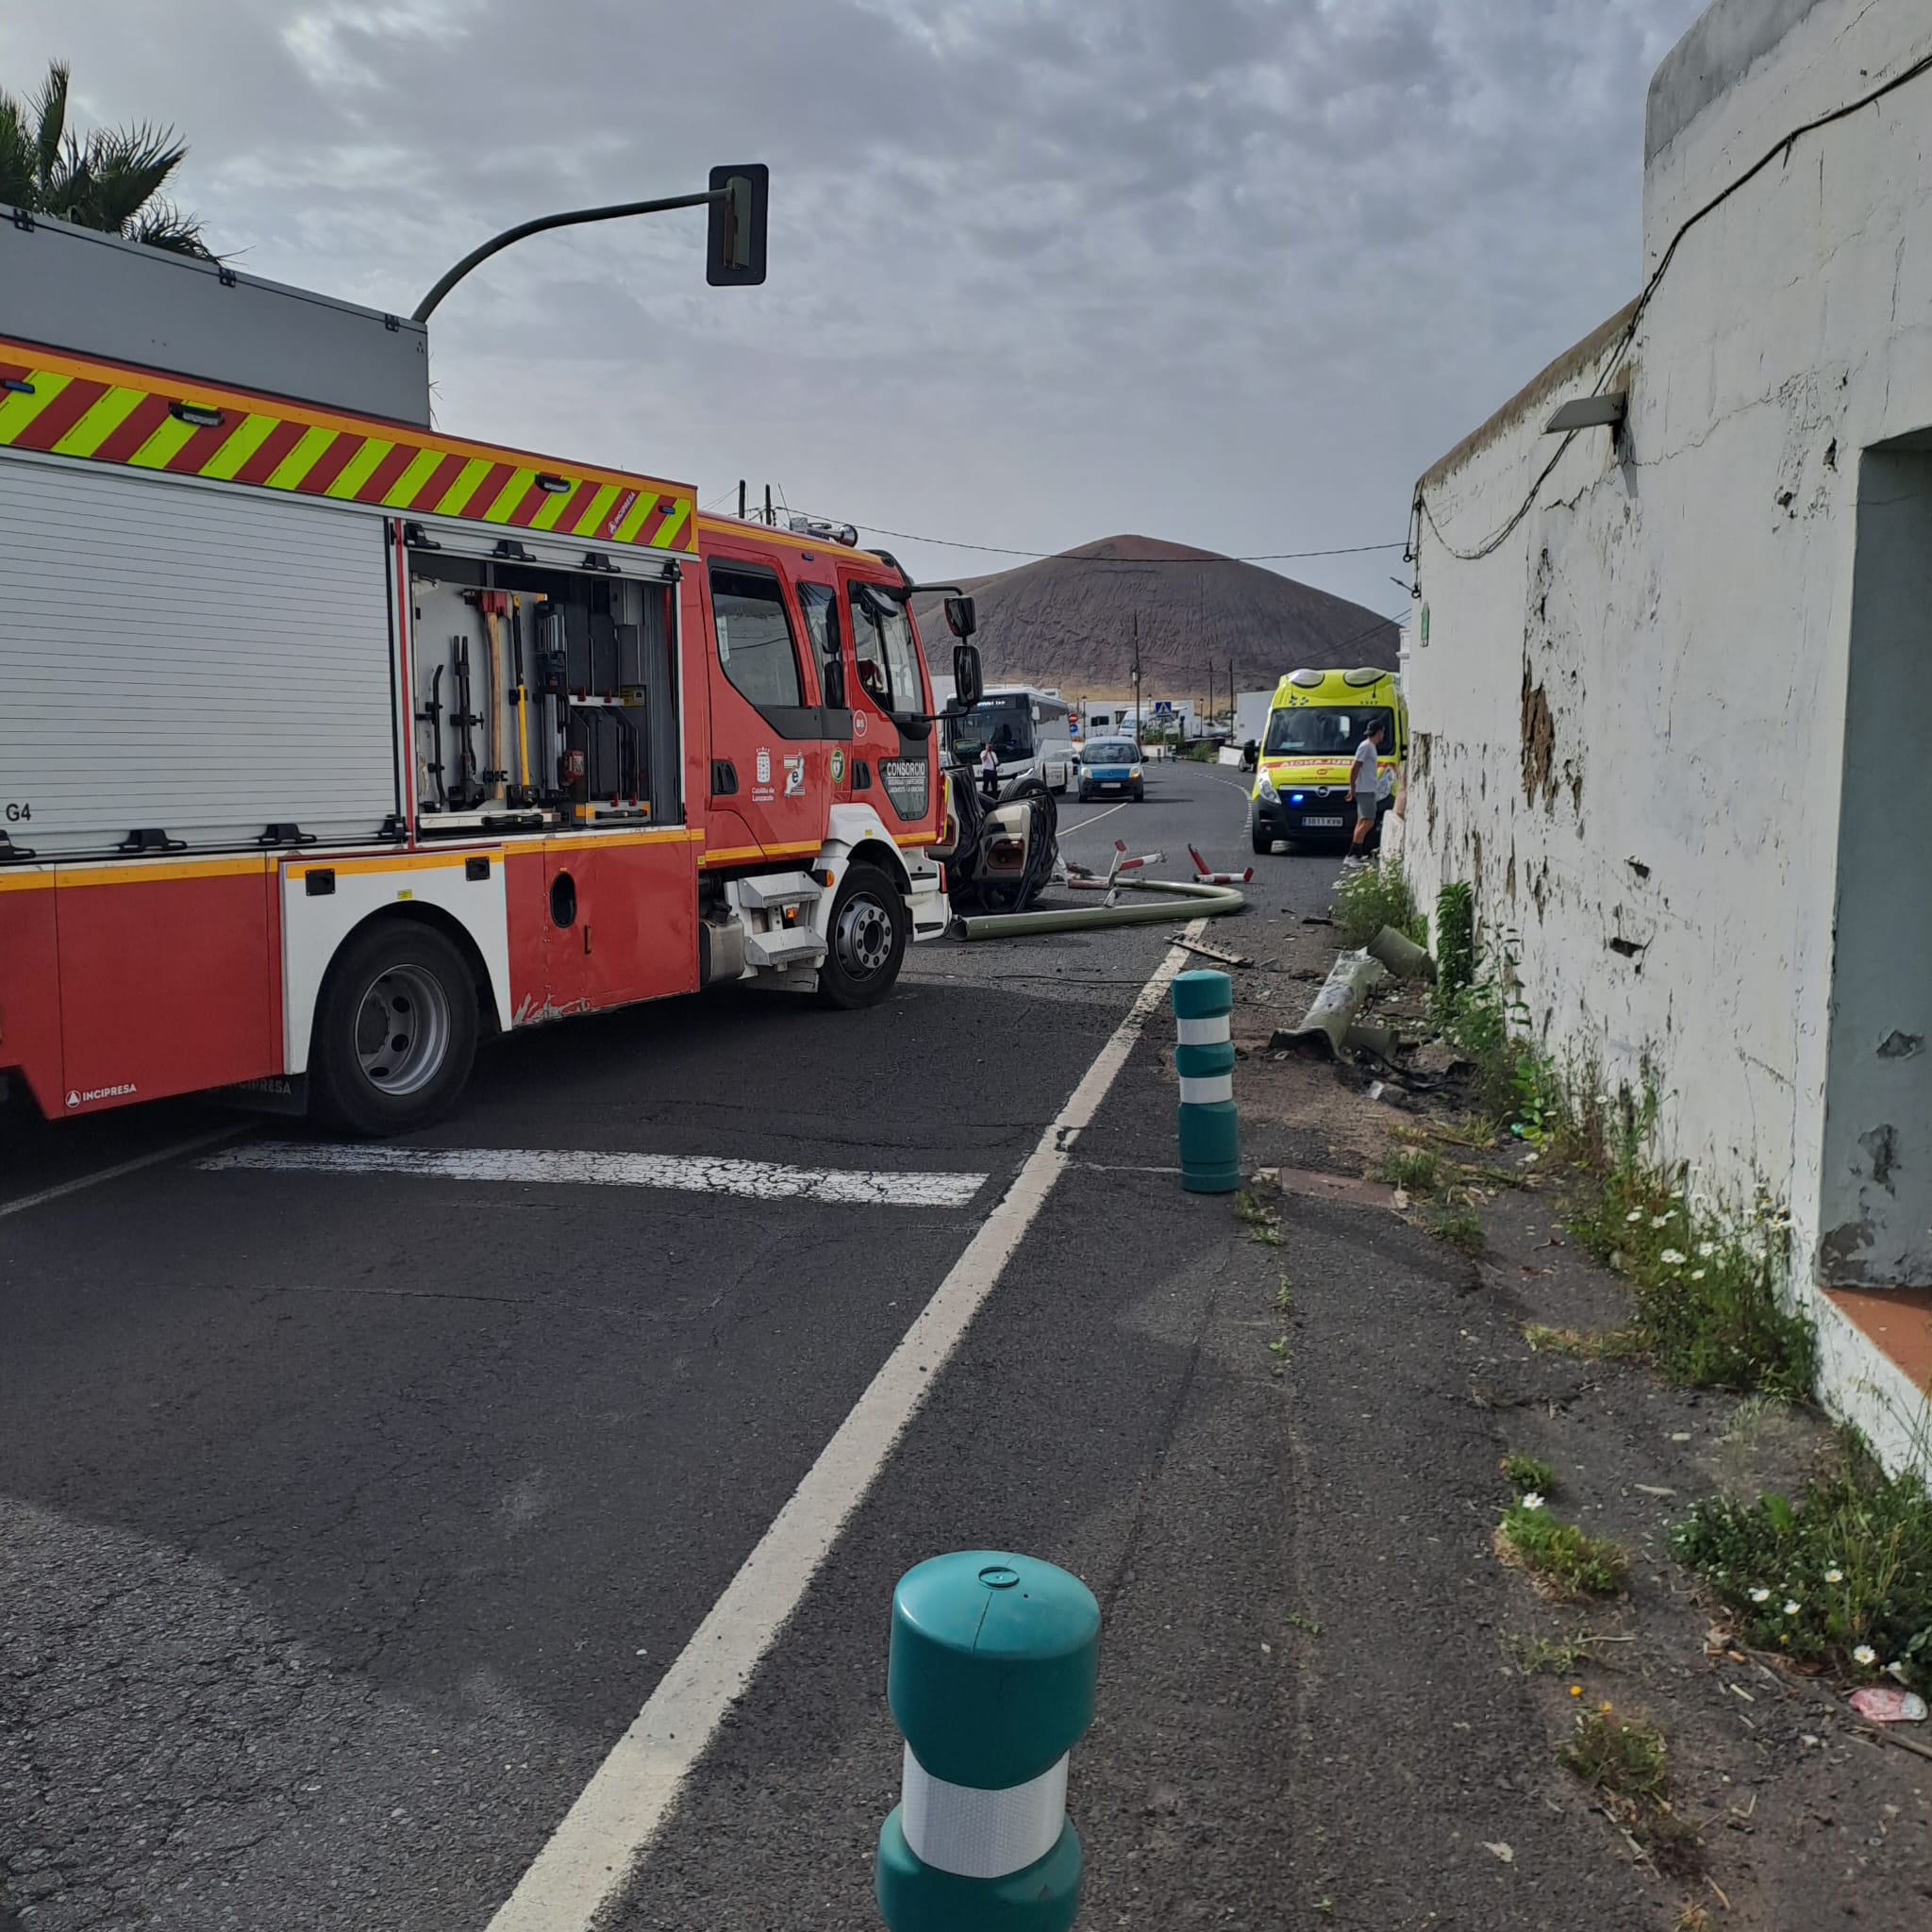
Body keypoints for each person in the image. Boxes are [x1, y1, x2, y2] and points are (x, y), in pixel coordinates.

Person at [1342, 716, 1388, 871]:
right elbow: (1355, 767)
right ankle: (1352, 855)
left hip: (1367, 788)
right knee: (1368, 821)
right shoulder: (1366, 747)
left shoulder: (1370, 747)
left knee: (1362, 822)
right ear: (1379, 732)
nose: (1383, 736)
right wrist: (1352, 788)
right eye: (1382, 732)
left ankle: (1356, 853)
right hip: (1365, 789)